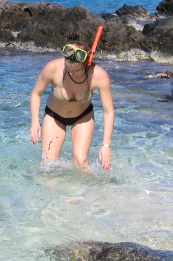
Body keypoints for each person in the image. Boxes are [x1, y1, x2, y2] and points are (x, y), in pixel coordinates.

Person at [29, 41, 114, 169]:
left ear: (87, 63)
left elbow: (109, 112)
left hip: (82, 116)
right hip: (54, 115)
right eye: (68, 68)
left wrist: (106, 145)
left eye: (77, 70)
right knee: (49, 164)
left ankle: (81, 189)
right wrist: (35, 122)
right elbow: (36, 93)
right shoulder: (53, 68)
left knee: (81, 161)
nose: (71, 73)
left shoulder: (99, 76)